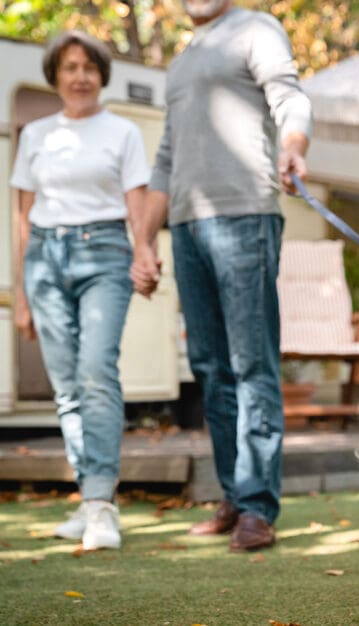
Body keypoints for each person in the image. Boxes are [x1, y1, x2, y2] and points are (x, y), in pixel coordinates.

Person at [130, 0, 311, 552]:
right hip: (186, 227)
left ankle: (258, 506)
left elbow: (288, 95)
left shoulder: (256, 28)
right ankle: (234, 494)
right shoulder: (182, 61)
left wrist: (294, 147)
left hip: (245, 216)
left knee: (251, 361)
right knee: (210, 366)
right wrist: (142, 241)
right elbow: (165, 159)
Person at [11, 31, 150, 550]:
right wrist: (22, 290)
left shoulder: (122, 132)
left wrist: (144, 252)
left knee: (95, 372)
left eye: (89, 67)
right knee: (66, 386)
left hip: (105, 253)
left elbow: (137, 204)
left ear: (101, 76)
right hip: (45, 257)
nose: (80, 76)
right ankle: (90, 498)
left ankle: (101, 506)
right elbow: (22, 218)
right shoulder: (36, 135)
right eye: (69, 67)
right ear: (55, 76)